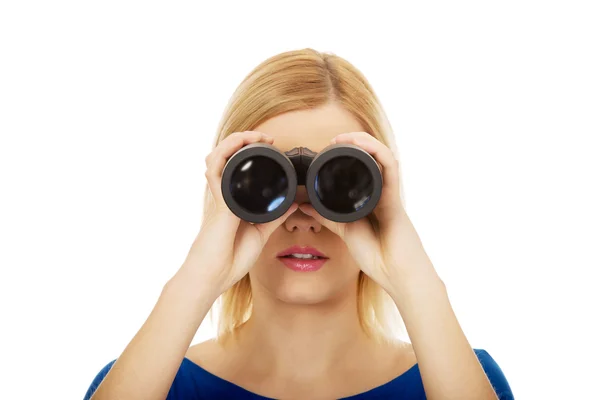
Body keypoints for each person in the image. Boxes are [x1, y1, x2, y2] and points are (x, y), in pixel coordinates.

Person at [83, 48, 514, 400]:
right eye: (269, 183)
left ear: (379, 193)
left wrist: (415, 280)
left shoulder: (460, 376)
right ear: (228, 192)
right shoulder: (148, 382)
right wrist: (197, 277)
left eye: (340, 183)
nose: (304, 219)